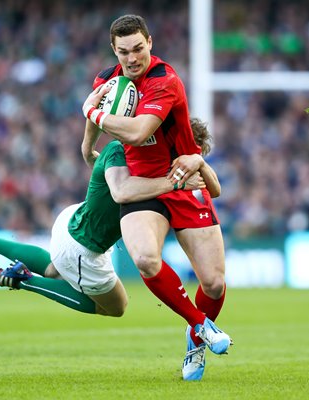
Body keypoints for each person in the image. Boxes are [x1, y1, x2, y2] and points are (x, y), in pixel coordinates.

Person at [81, 14, 231, 381]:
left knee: (213, 284)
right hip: (143, 185)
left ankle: (193, 337)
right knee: (146, 258)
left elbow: (138, 132)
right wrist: (87, 145)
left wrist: (90, 110)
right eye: (123, 52)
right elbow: (99, 115)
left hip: (182, 179)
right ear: (113, 50)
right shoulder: (107, 79)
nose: (131, 58)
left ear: (150, 42)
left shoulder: (164, 81)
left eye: (137, 49)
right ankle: (200, 328)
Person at [0, 119, 216, 318]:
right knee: (115, 307)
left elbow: (214, 189)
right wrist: (175, 184)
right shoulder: (143, 164)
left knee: (53, 269)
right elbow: (123, 192)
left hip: (73, 222)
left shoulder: (132, 152)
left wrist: (87, 147)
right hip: (84, 246)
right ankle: (24, 279)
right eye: (191, 152)